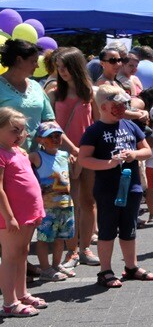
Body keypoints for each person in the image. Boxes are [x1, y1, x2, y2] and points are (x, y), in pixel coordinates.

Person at [78, 87, 153, 288]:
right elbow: (84, 159)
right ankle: (105, 270)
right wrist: (108, 163)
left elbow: (146, 150)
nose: (123, 108)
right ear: (104, 107)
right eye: (117, 105)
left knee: (129, 228)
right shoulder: (94, 130)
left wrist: (134, 154)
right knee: (107, 230)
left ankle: (131, 267)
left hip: (132, 187)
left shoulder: (130, 126)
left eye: (124, 104)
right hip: (107, 189)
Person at [48, 47, 99, 268]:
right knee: (69, 204)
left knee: (88, 202)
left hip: (87, 154)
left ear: (76, 66)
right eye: (59, 67)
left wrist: (84, 153)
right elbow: (50, 127)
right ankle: (72, 251)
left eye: (66, 67)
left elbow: (97, 126)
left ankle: (85, 247)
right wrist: (71, 151)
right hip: (61, 156)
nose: (62, 71)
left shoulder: (90, 92)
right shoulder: (53, 93)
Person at [0, 108, 45, 316]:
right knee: (10, 256)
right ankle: (9, 303)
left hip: (26, 214)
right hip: (11, 217)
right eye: (14, 131)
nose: (20, 136)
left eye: (22, 131)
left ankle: (22, 293)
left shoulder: (17, 150)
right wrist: (9, 217)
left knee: (22, 253)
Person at [29, 122, 76, 282]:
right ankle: (45, 268)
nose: (56, 139)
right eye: (51, 136)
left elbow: (73, 176)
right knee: (43, 238)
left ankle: (56, 265)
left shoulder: (64, 155)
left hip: (65, 204)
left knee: (60, 238)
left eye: (58, 135)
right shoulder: (36, 156)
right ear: (41, 140)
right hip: (47, 206)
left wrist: (79, 160)